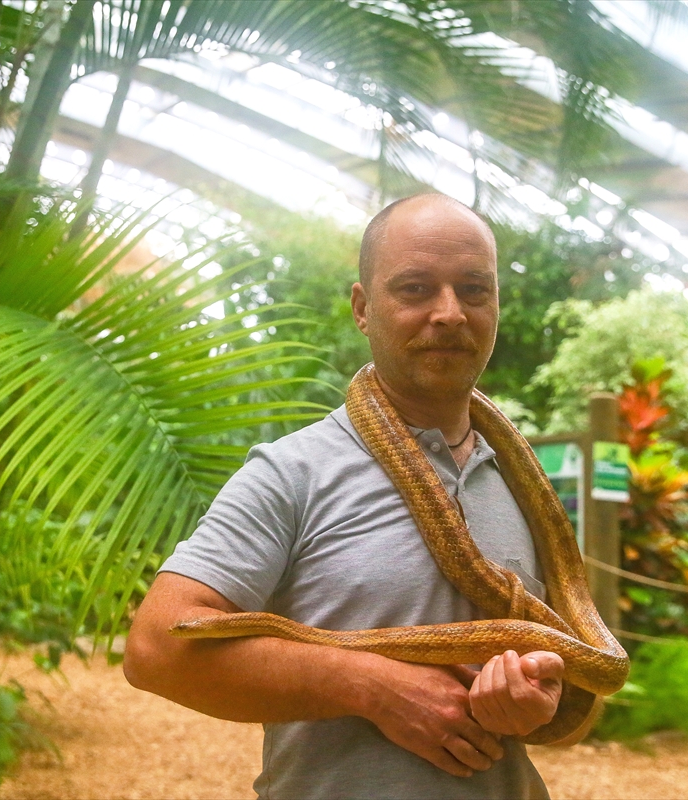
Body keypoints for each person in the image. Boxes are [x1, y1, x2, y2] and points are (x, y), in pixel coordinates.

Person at [124, 193, 566, 800]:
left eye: (473, 289)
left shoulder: (527, 487)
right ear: (362, 308)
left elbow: (577, 666)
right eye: (414, 289)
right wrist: (374, 688)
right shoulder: (291, 472)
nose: (449, 313)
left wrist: (533, 698)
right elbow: (154, 649)